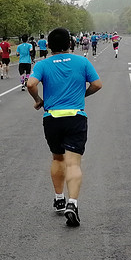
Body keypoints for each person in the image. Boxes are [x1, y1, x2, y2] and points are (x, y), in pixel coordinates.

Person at [25, 27, 102, 228]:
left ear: (48, 45)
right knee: (74, 163)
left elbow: (31, 84)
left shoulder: (43, 64)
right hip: (76, 116)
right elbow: (97, 84)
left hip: (52, 118)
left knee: (57, 158)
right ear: (70, 44)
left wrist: (38, 100)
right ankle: (72, 204)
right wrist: (82, 95)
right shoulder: (82, 62)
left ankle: (59, 198)